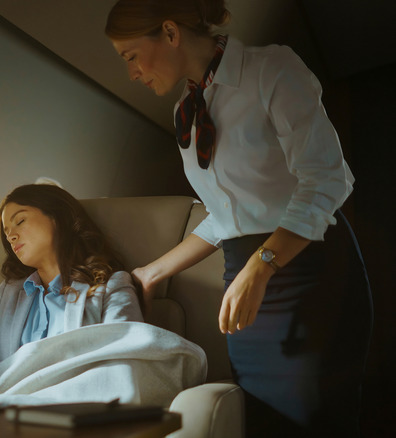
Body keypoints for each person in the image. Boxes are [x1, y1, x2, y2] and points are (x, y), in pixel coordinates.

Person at [104, 1, 372, 437]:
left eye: (130, 55)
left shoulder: (272, 70)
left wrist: (261, 265)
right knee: (260, 420)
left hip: (311, 276)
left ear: (170, 33)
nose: (131, 72)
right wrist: (153, 271)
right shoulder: (184, 113)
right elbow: (228, 213)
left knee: (317, 419)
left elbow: (327, 179)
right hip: (246, 286)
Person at [0, 183, 143, 377]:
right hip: (13, 406)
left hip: (74, 406)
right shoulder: (9, 293)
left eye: (20, 221)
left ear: (58, 218)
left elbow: (125, 361)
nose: (11, 236)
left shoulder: (111, 286)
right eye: (7, 233)